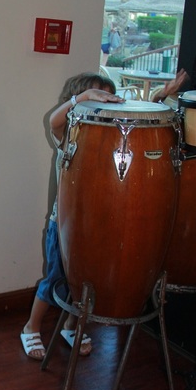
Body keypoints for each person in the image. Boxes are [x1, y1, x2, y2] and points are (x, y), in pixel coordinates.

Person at [20, 72, 122, 361]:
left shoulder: (111, 140)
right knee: (55, 279)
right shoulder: (69, 136)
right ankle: (31, 327)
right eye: (95, 100)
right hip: (64, 224)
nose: (101, 107)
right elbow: (54, 120)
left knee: (86, 282)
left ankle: (71, 325)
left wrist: (161, 97)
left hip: (95, 226)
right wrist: (82, 98)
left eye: (106, 100)